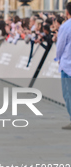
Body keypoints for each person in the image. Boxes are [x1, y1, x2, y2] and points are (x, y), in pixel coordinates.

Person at [56, 2, 71, 130]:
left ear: (67, 12)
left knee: (68, 94)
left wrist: (58, 58)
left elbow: (60, 45)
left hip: (68, 65)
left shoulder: (66, 26)